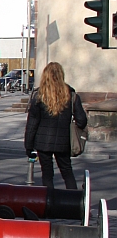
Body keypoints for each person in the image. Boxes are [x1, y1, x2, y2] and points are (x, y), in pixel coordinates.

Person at [24, 62, 87, 190]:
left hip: (43, 142)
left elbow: (32, 124)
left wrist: (28, 146)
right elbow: (82, 121)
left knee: (47, 174)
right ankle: (73, 202)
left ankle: (49, 203)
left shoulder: (39, 96)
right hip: (63, 142)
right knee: (67, 171)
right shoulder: (71, 95)